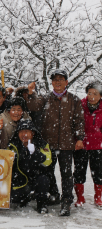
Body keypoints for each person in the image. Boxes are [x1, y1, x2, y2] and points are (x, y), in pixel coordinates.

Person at [23, 70, 85, 216]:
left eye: (61, 79)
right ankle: (46, 200)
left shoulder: (74, 100)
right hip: (48, 144)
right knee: (46, 173)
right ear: (51, 82)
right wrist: (31, 93)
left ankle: (66, 202)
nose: (58, 82)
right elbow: (33, 106)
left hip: (66, 144)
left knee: (66, 174)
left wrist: (80, 138)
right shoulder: (45, 99)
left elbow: (79, 121)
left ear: (66, 82)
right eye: (55, 80)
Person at [8, 119, 52, 213]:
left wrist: (35, 153)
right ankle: (26, 197)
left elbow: (47, 162)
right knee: (14, 198)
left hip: (36, 178)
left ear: (33, 133)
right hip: (20, 180)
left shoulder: (42, 144)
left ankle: (42, 204)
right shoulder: (13, 145)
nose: (23, 134)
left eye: (26, 131)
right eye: (21, 132)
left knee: (43, 179)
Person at [73, 81, 102, 207]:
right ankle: (80, 198)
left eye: (95, 93)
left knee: (99, 172)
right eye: (89, 93)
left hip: (98, 145)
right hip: (81, 144)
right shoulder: (80, 105)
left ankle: (98, 197)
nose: (92, 96)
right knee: (79, 171)